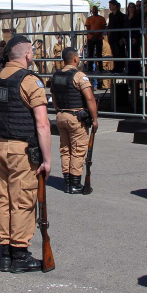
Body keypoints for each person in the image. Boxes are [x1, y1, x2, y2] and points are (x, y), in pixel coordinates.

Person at [0, 36, 52, 273]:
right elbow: (43, 124)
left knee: (5, 200)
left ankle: (6, 252)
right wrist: (47, 159)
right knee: (23, 202)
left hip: (1, 147)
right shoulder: (30, 80)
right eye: (32, 51)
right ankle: (20, 255)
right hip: (22, 150)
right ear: (26, 55)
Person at [51, 47, 98, 194]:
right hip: (76, 118)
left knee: (65, 150)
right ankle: (75, 184)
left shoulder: (56, 75)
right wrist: (95, 119)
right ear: (75, 59)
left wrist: (59, 111)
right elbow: (90, 98)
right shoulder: (79, 76)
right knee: (78, 150)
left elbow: (53, 98)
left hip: (61, 115)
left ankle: (67, 181)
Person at [84, 6, 107, 75]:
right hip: (91, 38)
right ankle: (89, 68)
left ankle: (100, 68)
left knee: (99, 53)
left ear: (97, 10)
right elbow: (88, 28)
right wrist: (93, 35)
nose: (94, 11)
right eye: (93, 10)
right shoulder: (89, 19)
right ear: (91, 11)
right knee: (90, 53)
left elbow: (103, 28)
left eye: (95, 9)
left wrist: (97, 36)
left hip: (99, 38)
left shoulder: (101, 18)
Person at [107, 0, 126, 73]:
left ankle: (120, 68)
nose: (109, 6)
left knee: (120, 52)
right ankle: (115, 67)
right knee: (114, 52)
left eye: (111, 5)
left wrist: (122, 37)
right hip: (112, 36)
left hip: (119, 37)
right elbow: (110, 26)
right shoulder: (111, 15)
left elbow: (123, 27)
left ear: (115, 6)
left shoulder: (121, 16)